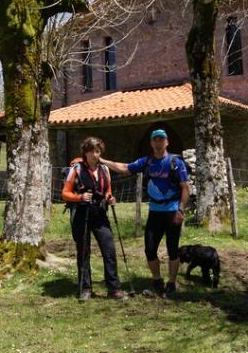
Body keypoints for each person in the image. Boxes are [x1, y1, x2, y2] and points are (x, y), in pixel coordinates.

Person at [100, 129, 190, 299]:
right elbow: (125, 168)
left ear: (167, 142)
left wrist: (181, 209)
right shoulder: (147, 162)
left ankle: (171, 283)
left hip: (172, 212)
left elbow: (185, 187)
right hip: (155, 212)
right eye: (155, 140)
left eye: (161, 140)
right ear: (151, 143)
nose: (158, 143)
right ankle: (157, 280)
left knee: (173, 250)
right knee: (149, 249)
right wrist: (103, 161)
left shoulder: (176, 162)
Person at [61, 137, 127, 301]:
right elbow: (65, 193)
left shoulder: (105, 170)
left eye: (97, 151)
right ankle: (85, 289)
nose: (94, 154)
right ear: (85, 152)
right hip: (81, 214)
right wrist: (80, 197)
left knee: (109, 250)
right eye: (90, 151)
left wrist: (110, 198)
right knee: (83, 252)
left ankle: (114, 288)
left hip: (99, 214)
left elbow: (108, 191)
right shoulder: (76, 169)